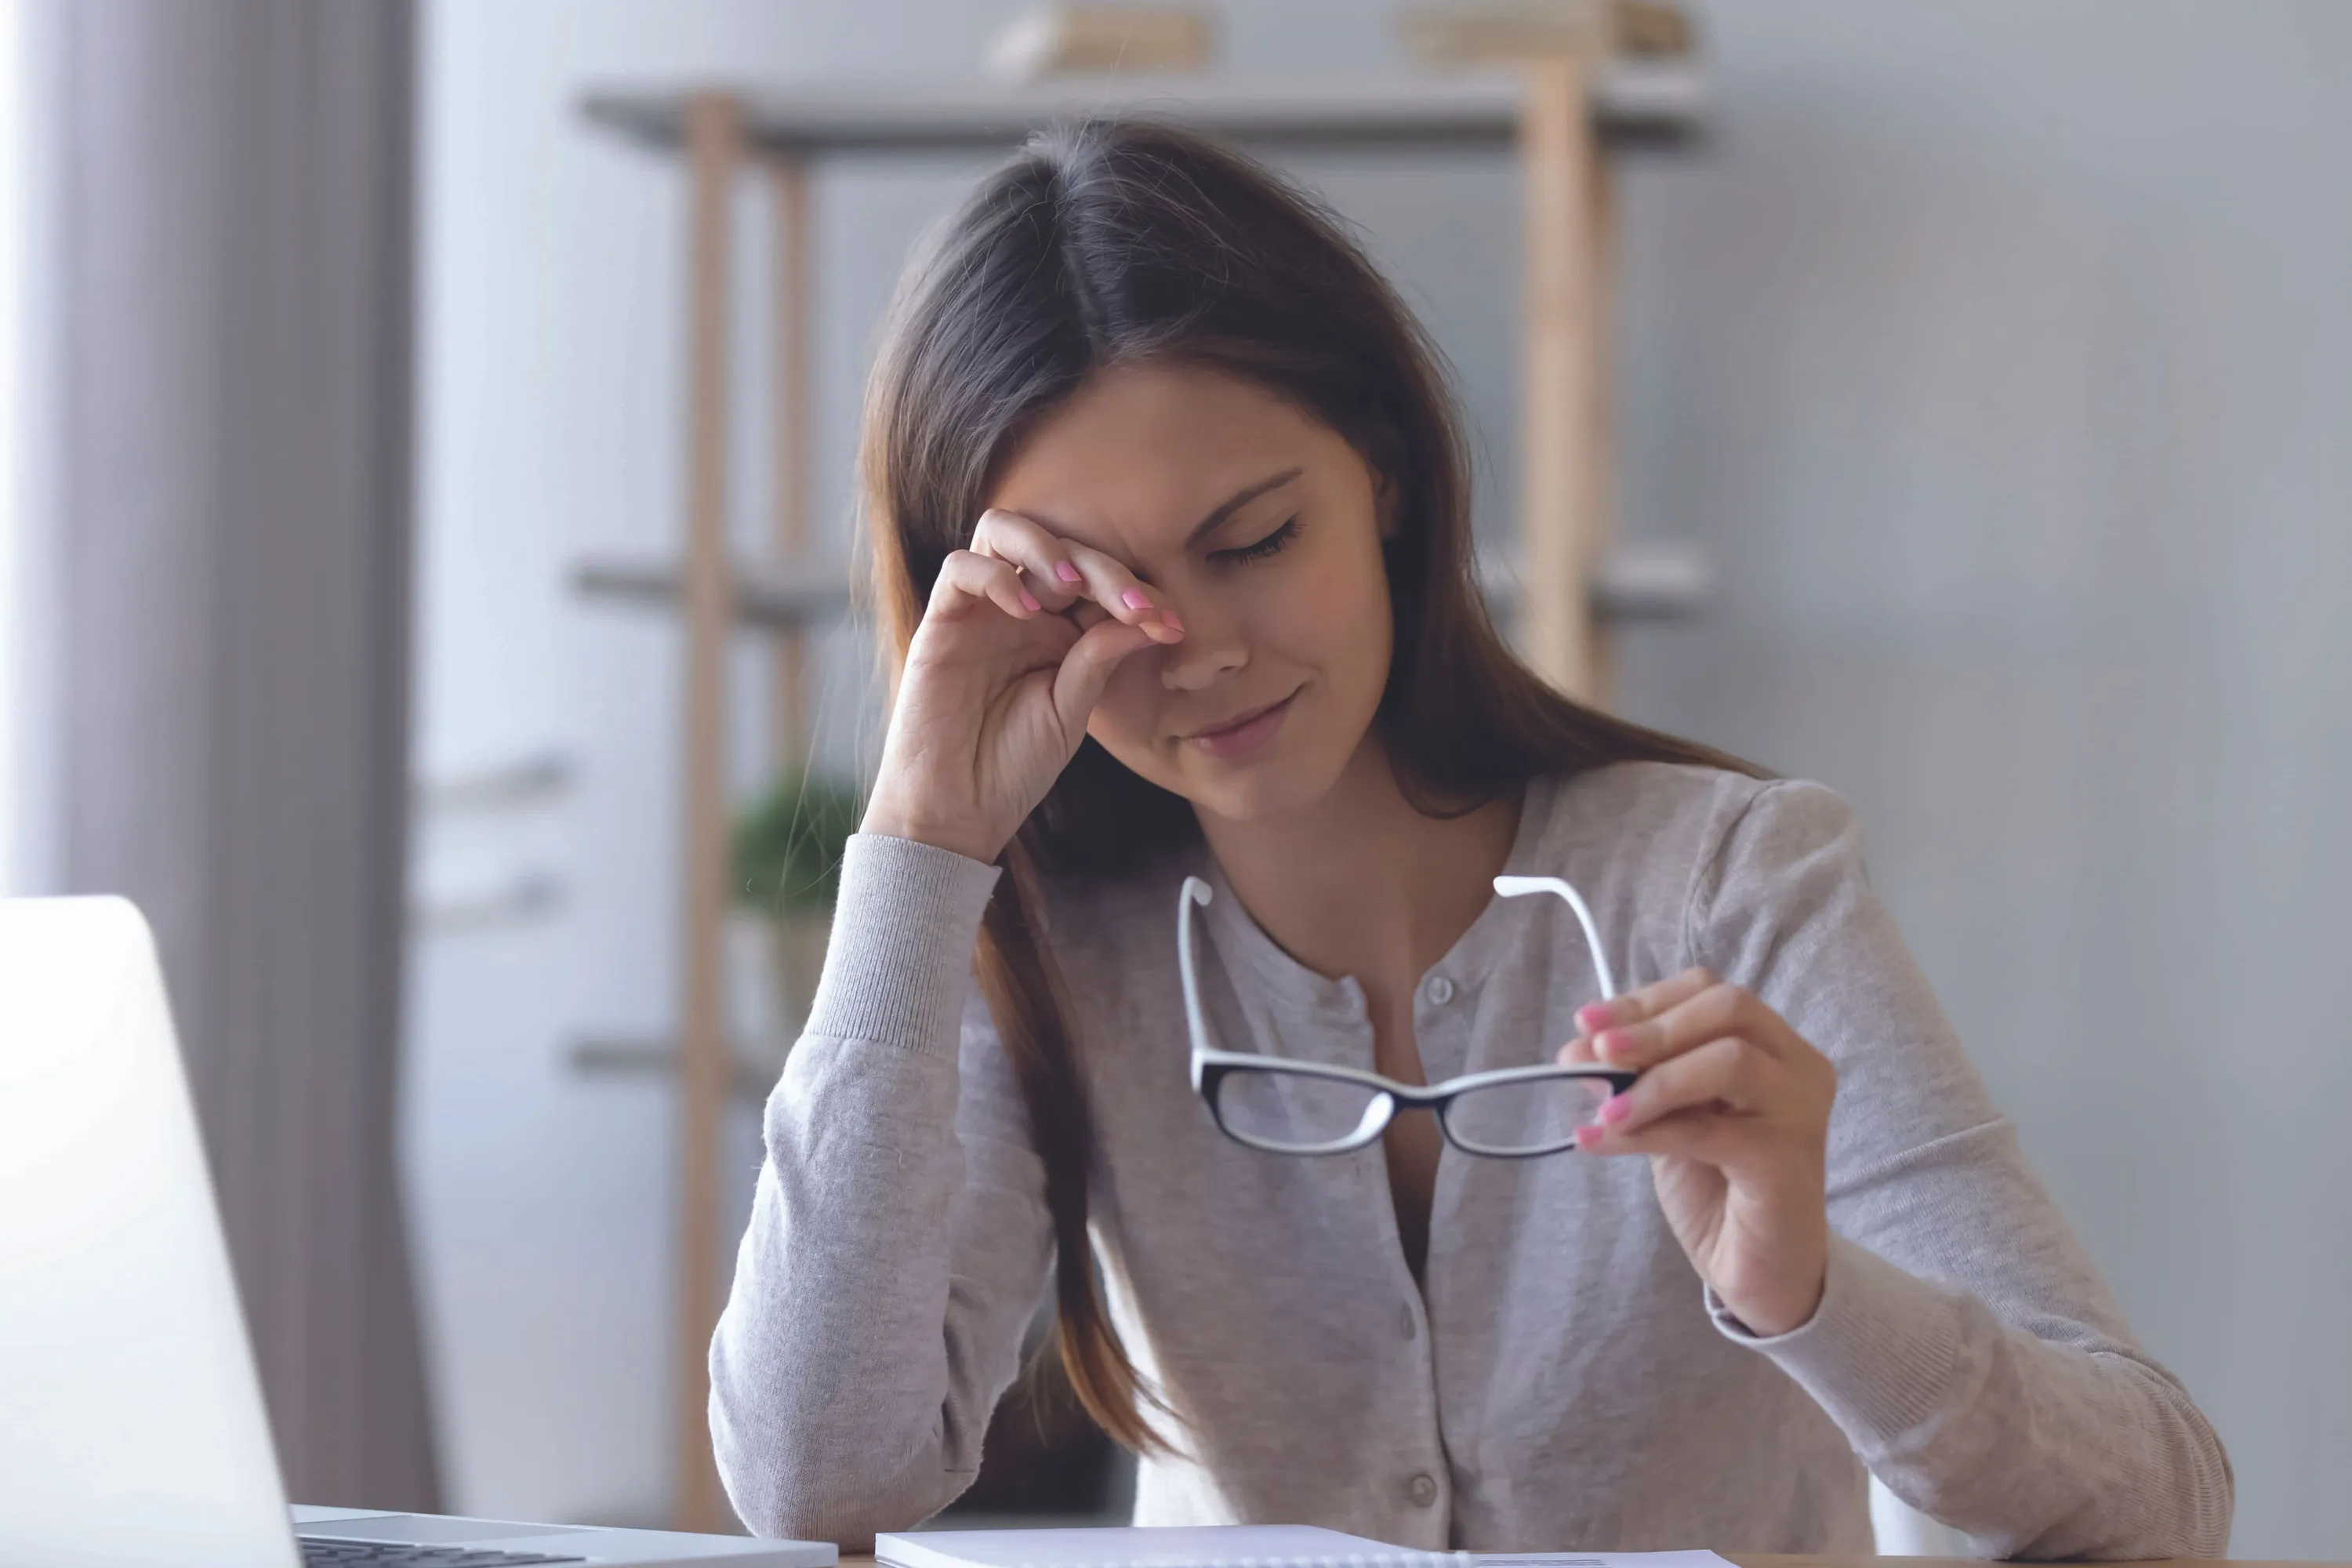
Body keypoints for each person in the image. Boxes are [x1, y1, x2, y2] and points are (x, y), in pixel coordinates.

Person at [707, 121, 2231, 1559]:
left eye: (1254, 542)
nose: (1204, 653)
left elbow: (2163, 1494)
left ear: (1382, 472)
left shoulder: (1729, 878)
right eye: (1097, 602)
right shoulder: (1045, 941)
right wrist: (921, 841)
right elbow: (814, 1473)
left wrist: (1810, 1292)